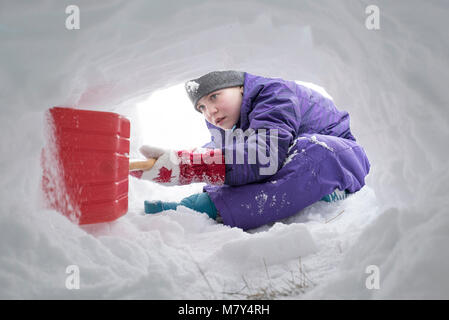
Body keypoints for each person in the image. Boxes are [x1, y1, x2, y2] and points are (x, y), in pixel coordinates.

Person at [130, 70, 370, 231]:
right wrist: (174, 161)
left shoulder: (275, 94)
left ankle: (209, 208)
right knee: (236, 165)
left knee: (311, 151)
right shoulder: (227, 120)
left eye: (214, 96)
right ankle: (200, 203)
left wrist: (189, 166)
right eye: (201, 107)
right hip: (290, 157)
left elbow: (263, 156)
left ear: (241, 87)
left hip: (342, 158)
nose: (210, 112)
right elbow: (228, 156)